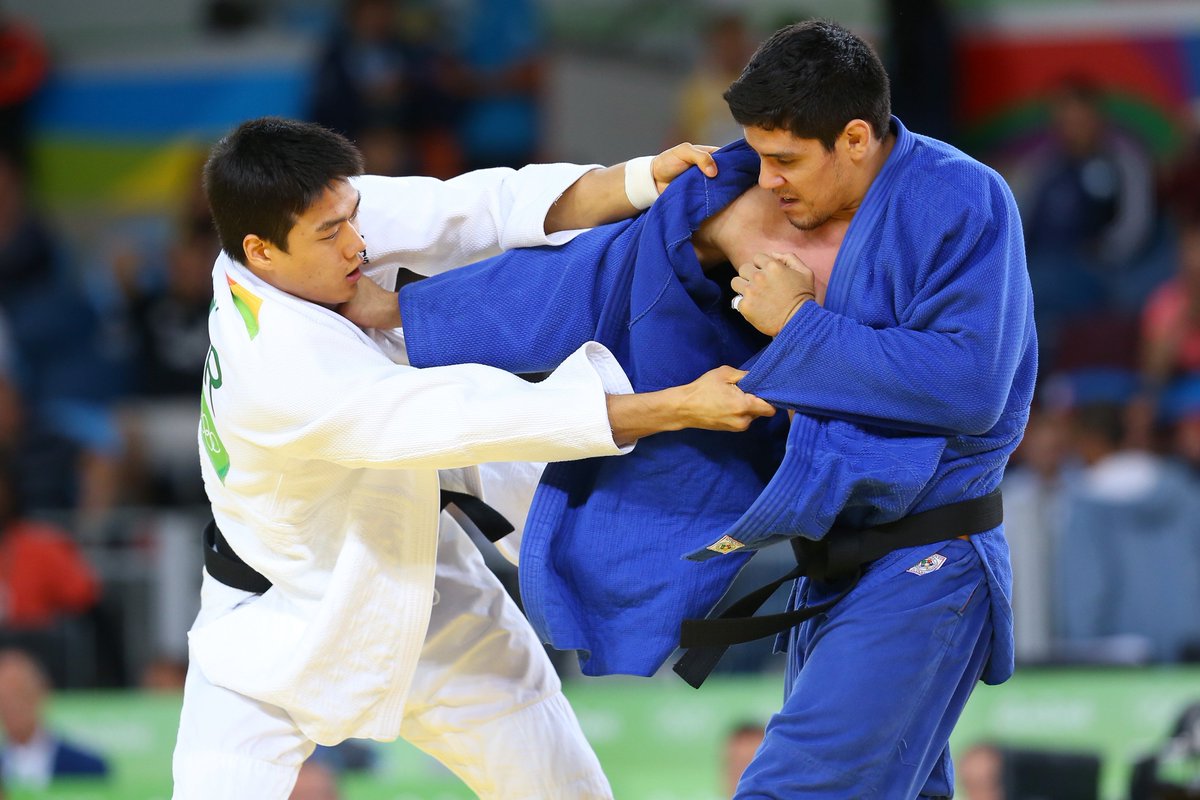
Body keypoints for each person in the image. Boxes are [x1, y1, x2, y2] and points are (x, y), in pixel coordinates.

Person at [379, 21, 1035, 797]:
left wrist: (798, 324)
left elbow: (969, 386)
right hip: (832, 568)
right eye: (758, 154)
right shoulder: (730, 196)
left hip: (927, 561)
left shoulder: (959, 199)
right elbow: (584, 280)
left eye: (786, 158)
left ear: (856, 138)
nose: (769, 177)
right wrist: (400, 314)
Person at [171, 115, 772, 800]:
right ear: (262, 252)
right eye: (331, 233)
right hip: (269, 622)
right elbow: (469, 417)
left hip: (418, 582)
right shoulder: (280, 369)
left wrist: (636, 180)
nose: (357, 243)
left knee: (567, 791)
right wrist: (675, 406)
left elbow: (470, 208)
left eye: (351, 216)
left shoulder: (313, 214)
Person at [0, 649, 109, 787]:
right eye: (3, 698)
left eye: (20, 694)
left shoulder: (88, 767)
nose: (11, 706)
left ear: (42, 693)